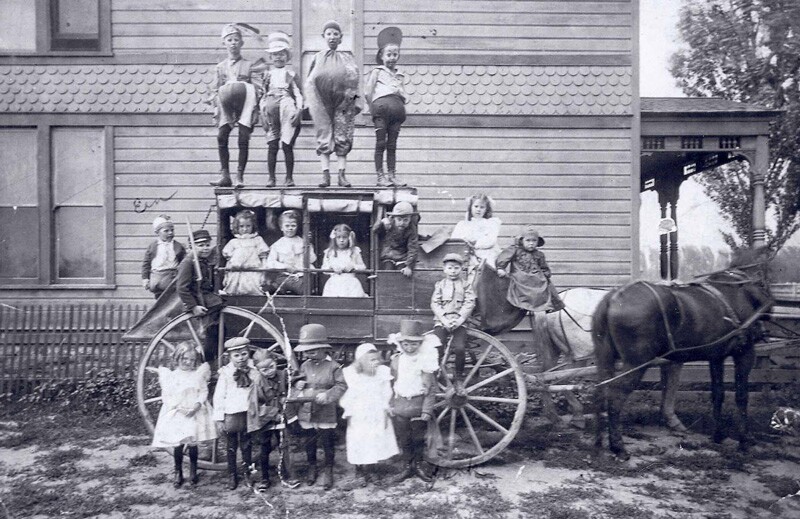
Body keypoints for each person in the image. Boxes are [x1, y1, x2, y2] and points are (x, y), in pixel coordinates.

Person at [149, 342, 217, 489]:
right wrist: (178, 407)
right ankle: (178, 471)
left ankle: (193, 471)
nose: (188, 362)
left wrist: (198, 405)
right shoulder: (172, 376)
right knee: (178, 444)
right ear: (178, 358)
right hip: (179, 412)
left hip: (194, 412)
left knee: (193, 443)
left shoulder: (198, 375)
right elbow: (167, 395)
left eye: (192, 360)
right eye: (185, 359)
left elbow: (203, 391)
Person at [305, 20, 362, 188]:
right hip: (321, 101)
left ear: (341, 38)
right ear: (324, 37)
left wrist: (355, 100)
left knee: (342, 136)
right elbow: (310, 80)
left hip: (342, 102)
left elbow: (355, 79)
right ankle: (325, 175)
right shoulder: (318, 57)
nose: (332, 37)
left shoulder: (347, 58)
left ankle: (341, 175)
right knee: (324, 135)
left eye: (335, 34)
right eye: (329, 34)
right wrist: (310, 102)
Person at [293, 323, 347, 490]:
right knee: (309, 440)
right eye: (307, 351)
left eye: (313, 350)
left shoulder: (334, 367)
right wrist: (299, 384)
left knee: (327, 440)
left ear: (324, 349)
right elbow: (298, 381)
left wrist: (329, 395)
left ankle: (328, 469)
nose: (309, 354)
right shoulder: (305, 365)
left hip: (325, 408)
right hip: (308, 408)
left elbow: (341, 386)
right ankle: (312, 467)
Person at [339, 343, 399, 489]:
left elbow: (386, 392)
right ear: (361, 361)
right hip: (360, 411)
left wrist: (385, 408)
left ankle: (373, 469)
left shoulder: (382, 372)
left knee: (375, 439)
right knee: (358, 439)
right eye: (371, 360)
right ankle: (359, 470)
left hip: (377, 410)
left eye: (376, 359)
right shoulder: (352, 373)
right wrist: (350, 412)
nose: (376, 363)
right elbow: (351, 394)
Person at [209, 23, 260, 188]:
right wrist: (216, 100)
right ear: (224, 43)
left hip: (245, 102)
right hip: (226, 104)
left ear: (241, 43)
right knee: (221, 136)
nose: (233, 43)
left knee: (243, 138)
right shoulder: (220, 67)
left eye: (236, 40)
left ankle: (239, 176)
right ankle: (225, 174)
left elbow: (258, 86)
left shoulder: (249, 65)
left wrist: (254, 102)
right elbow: (214, 88)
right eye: (229, 40)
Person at [388, 320, 437, 483]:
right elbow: (391, 383)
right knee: (404, 438)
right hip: (401, 406)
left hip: (417, 406)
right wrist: (391, 405)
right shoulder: (396, 360)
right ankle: (407, 466)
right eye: (406, 344)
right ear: (401, 344)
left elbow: (430, 389)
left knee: (418, 438)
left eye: (414, 345)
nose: (409, 348)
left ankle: (418, 466)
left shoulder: (425, 362)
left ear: (419, 344)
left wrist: (426, 410)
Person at [213, 337, 258, 490]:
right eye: (236, 356)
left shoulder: (254, 371)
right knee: (231, 446)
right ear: (230, 357)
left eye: (244, 354)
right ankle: (232, 474)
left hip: (247, 413)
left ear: (249, 353)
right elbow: (219, 396)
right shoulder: (225, 374)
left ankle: (247, 473)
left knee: (247, 445)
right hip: (231, 413)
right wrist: (219, 418)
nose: (241, 358)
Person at [364, 26, 407, 187]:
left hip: (396, 112)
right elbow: (368, 92)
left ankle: (392, 175)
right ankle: (380, 176)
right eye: (388, 55)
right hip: (381, 110)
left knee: (392, 145)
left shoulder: (400, 75)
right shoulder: (377, 72)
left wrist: (400, 94)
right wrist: (372, 107)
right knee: (381, 143)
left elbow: (404, 94)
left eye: (395, 55)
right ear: (381, 56)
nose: (392, 58)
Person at [260, 31, 303, 187]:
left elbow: (298, 94)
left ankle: (289, 178)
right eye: (275, 54)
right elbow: (263, 96)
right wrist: (262, 112)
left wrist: (299, 110)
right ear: (271, 58)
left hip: (286, 106)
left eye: (282, 54)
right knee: (272, 144)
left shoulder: (290, 74)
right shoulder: (267, 75)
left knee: (286, 144)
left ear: (287, 56)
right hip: (271, 109)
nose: (278, 57)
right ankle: (271, 178)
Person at [175, 229, 223, 362]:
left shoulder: (203, 261)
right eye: (200, 245)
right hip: (199, 301)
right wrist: (194, 306)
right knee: (212, 332)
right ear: (191, 247)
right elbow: (182, 288)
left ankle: (215, 357)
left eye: (207, 245)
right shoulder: (188, 262)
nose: (205, 248)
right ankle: (206, 361)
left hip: (208, 298)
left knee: (219, 330)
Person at [247, 349, 289, 491]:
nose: (269, 371)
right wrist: (273, 413)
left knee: (283, 444)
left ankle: (286, 473)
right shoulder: (258, 382)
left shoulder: (282, 375)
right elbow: (255, 407)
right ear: (258, 370)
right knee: (264, 447)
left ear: (275, 362)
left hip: (280, 416)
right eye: (264, 370)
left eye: (271, 367)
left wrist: (296, 384)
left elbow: (292, 382)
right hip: (265, 419)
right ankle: (265, 478)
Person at [496, 226, 564, 313]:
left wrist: (546, 274)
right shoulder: (515, 250)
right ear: (521, 240)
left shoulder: (539, 254)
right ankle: (522, 305)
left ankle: (546, 306)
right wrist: (501, 268)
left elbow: (544, 268)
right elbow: (503, 258)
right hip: (519, 278)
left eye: (534, 241)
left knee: (545, 283)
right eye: (528, 240)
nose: (531, 243)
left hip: (536, 279)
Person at [431, 253, 476, 381]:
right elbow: (435, 303)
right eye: (450, 268)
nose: (453, 271)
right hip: (442, 321)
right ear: (444, 269)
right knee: (437, 346)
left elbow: (470, 302)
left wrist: (460, 319)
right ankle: (435, 373)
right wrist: (444, 319)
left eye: (456, 268)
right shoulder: (440, 285)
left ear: (461, 269)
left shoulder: (466, 285)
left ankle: (458, 375)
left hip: (459, 322)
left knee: (460, 348)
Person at [265, 209, 317, 295]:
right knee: (276, 285)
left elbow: (312, 259)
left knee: (305, 287)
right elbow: (270, 262)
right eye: (287, 226)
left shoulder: (302, 242)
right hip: (284, 275)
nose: (290, 228)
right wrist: (285, 266)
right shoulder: (277, 244)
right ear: (281, 227)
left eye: (293, 225)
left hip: (301, 276)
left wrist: (308, 244)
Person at [221, 209, 269, 295]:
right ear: (237, 227)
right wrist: (226, 276)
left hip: (253, 271)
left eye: (248, 226)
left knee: (253, 289)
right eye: (241, 226)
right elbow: (229, 261)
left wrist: (263, 275)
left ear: (253, 226)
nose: (245, 229)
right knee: (233, 289)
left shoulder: (257, 240)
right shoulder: (234, 242)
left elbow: (263, 259)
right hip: (236, 272)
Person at [450, 194, 502, 270]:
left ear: (486, 209)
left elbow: (491, 240)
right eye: (476, 206)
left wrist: (474, 244)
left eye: (482, 207)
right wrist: (465, 242)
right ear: (471, 207)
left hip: (485, 253)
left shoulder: (491, 223)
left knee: (485, 269)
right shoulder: (463, 224)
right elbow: (455, 240)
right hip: (466, 254)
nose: (478, 209)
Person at [141, 215, 186, 300]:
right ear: (157, 232)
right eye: (166, 231)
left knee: (172, 300)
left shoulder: (178, 246)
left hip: (171, 278)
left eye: (172, 230)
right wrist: (145, 278)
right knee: (159, 300)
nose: (170, 233)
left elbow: (184, 262)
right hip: (156, 278)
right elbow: (146, 264)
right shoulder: (153, 246)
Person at [372, 201, 419, 278]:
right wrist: (382, 222)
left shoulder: (412, 229)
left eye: (405, 220)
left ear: (410, 219)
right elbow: (375, 230)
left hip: (402, 257)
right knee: (387, 272)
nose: (402, 223)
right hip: (388, 256)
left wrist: (409, 266)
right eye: (399, 219)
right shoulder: (389, 223)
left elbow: (413, 248)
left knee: (402, 275)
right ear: (394, 218)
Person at [321, 223, 368, 297]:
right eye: (338, 237)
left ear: (349, 238)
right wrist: (332, 268)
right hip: (334, 284)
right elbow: (324, 268)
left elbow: (363, 266)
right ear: (334, 238)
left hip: (351, 284)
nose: (341, 240)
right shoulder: (329, 252)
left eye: (344, 237)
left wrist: (353, 266)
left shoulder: (354, 251)